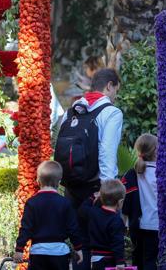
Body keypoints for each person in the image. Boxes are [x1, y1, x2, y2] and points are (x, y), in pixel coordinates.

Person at [54, 68, 123, 270]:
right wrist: (106, 189)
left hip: (72, 187)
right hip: (97, 191)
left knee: (79, 244)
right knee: (103, 248)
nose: (115, 96)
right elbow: (107, 153)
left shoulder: (73, 110)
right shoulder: (111, 112)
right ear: (109, 86)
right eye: (115, 91)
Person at [14, 161, 83, 270]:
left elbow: (26, 229)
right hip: (60, 253)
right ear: (59, 181)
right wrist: (78, 248)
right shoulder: (65, 203)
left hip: (38, 253)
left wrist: (19, 249)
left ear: (38, 181)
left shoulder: (32, 203)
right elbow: (73, 228)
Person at [122, 134, 159, 270]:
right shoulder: (161, 174)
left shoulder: (131, 173)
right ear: (156, 150)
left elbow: (124, 200)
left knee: (138, 260)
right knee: (151, 261)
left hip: (137, 225)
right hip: (157, 225)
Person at [79, 179, 127, 270]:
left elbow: (82, 209)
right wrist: (120, 261)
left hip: (95, 258)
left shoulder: (93, 213)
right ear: (120, 202)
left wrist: (93, 197)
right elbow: (118, 242)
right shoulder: (116, 220)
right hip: (109, 260)